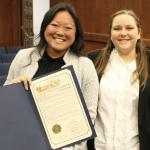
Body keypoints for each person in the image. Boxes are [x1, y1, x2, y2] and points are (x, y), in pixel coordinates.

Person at [4, 2, 99, 150]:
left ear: (76, 33)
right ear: (45, 27)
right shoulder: (23, 56)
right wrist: (13, 89)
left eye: (68, 28)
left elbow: (90, 114)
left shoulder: (85, 66)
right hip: (23, 142)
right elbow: (5, 105)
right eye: (55, 25)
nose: (60, 32)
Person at [88, 10, 150, 150]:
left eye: (129, 28)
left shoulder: (149, 63)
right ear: (110, 34)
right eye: (117, 28)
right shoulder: (93, 60)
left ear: (139, 32)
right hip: (99, 146)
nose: (123, 33)